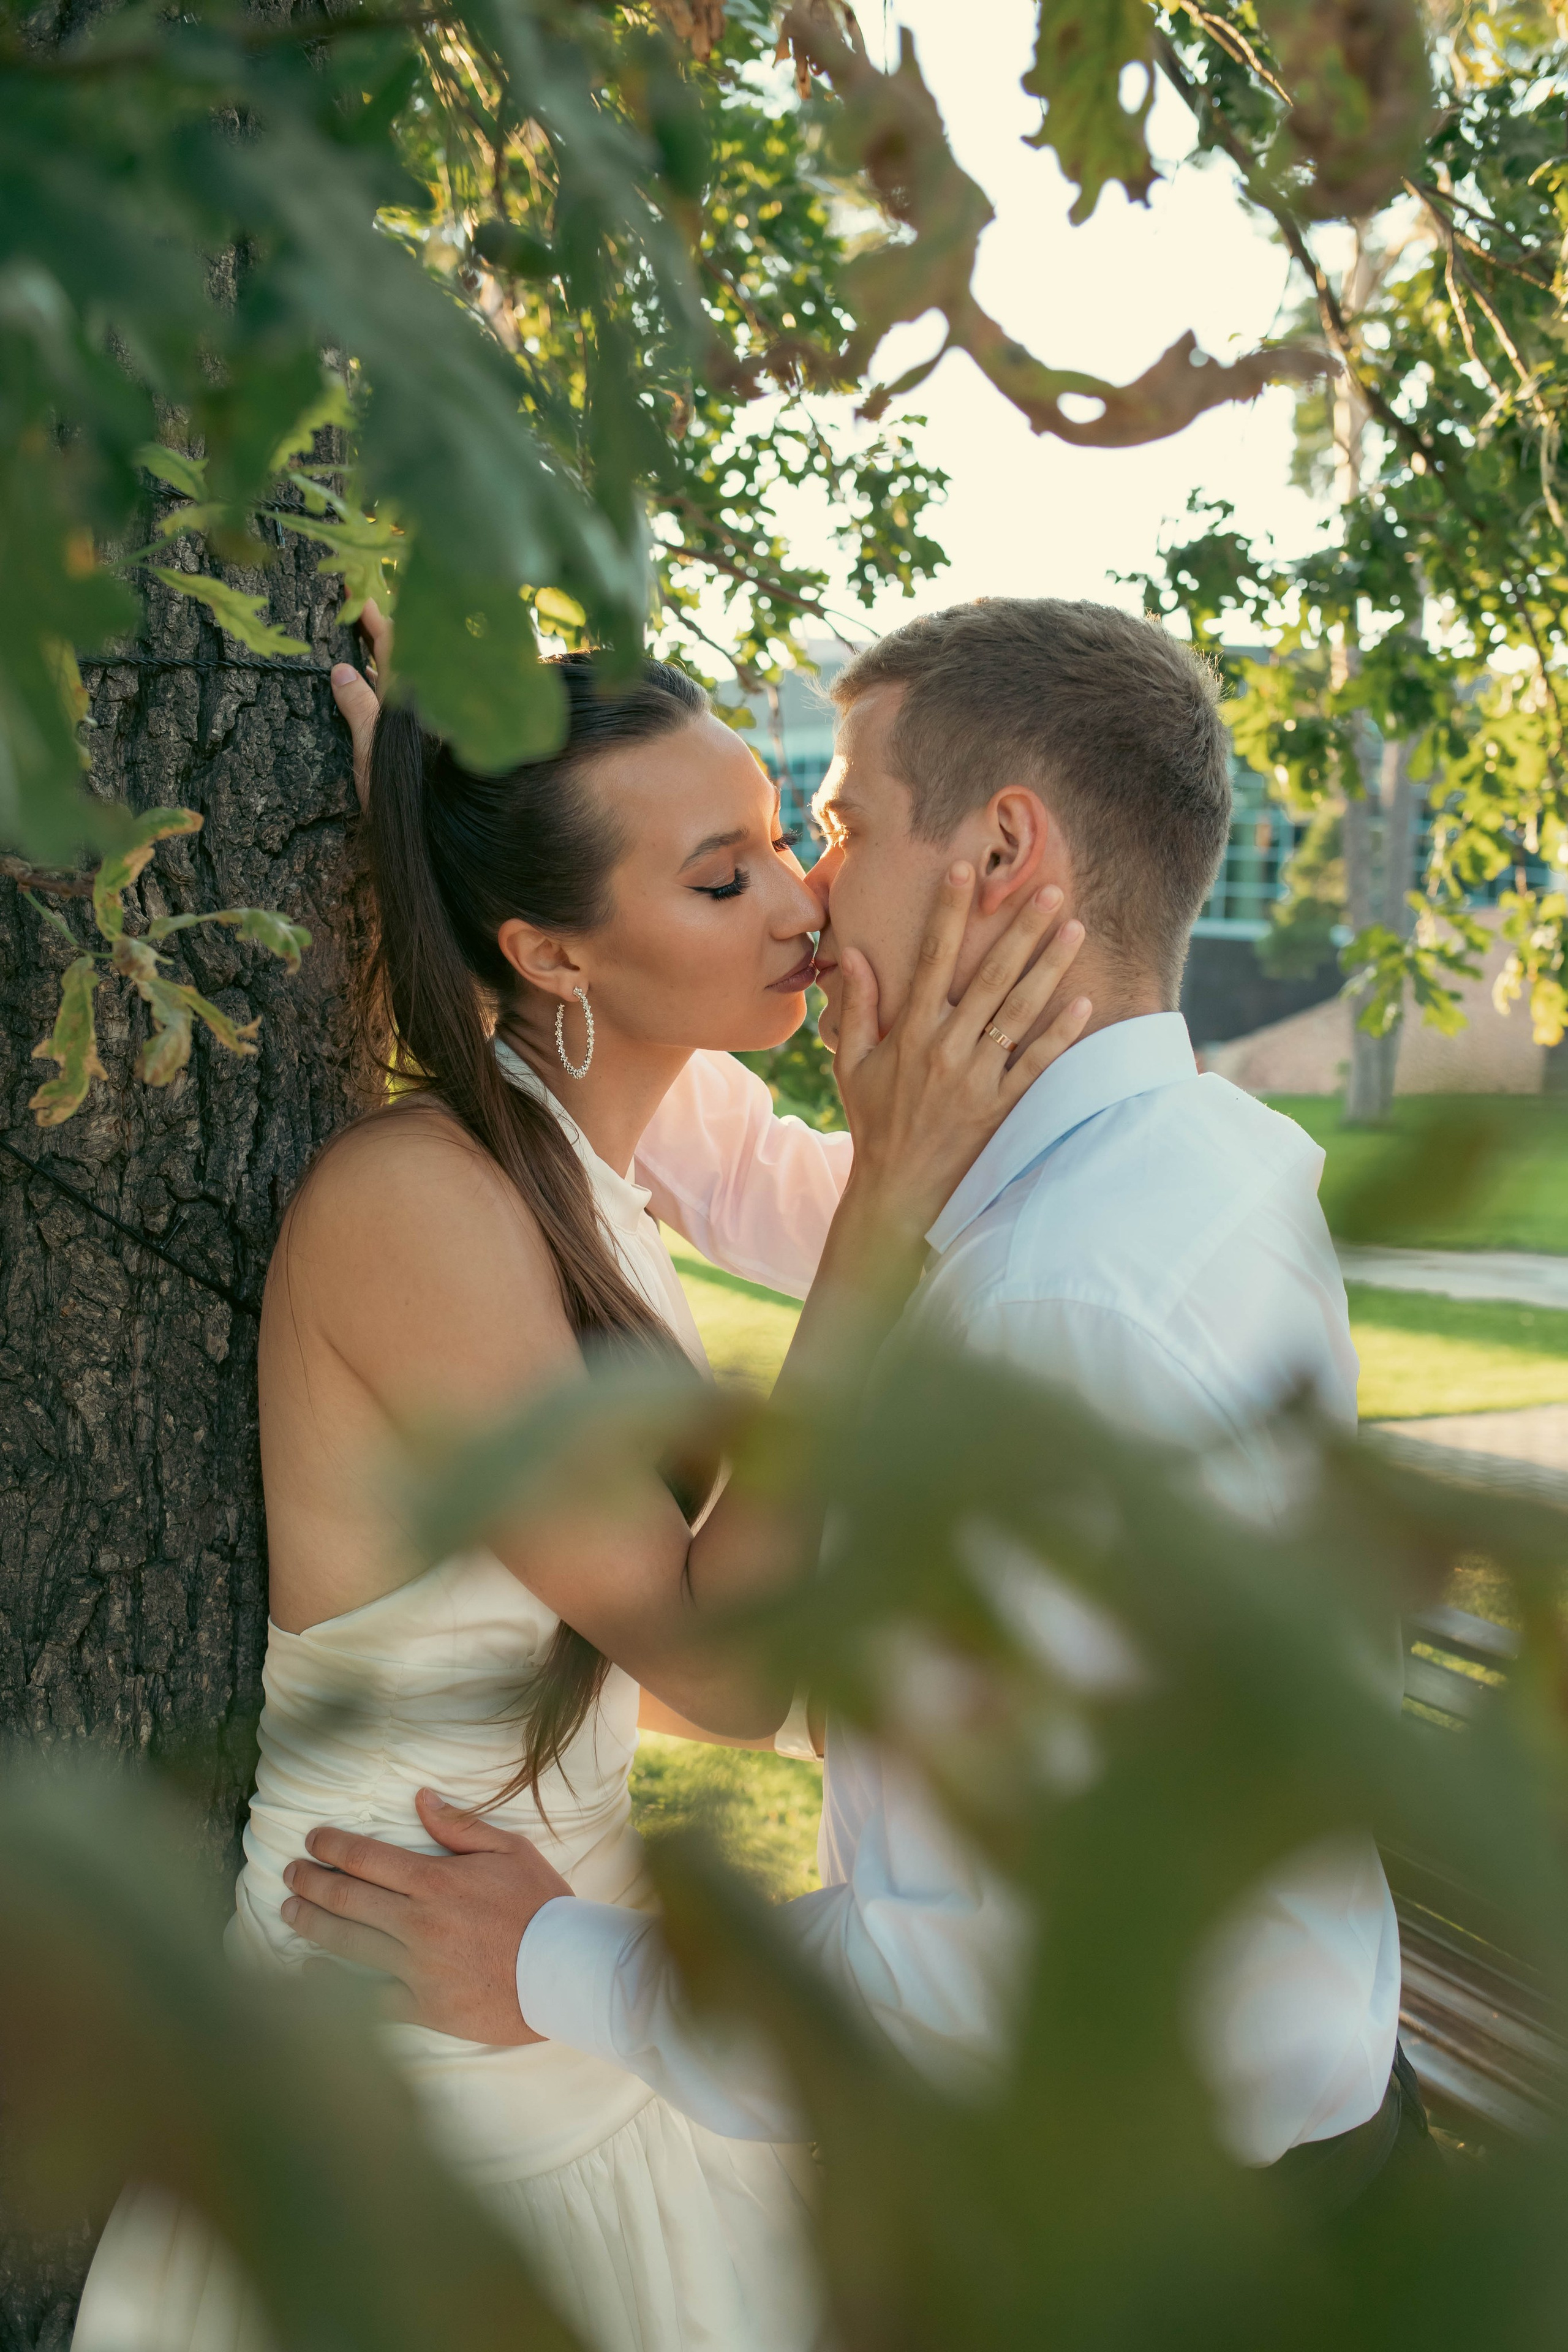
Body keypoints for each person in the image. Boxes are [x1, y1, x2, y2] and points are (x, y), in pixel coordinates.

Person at [286, 597, 1430, 2215]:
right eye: (743, 861)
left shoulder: (1053, 1308)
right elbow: (774, 1178)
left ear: (1000, 856)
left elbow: (975, 1981)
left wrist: (557, 1966)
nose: (808, 898)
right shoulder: (1172, 1159)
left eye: (832, 827)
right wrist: (471, 855)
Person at [70, 617, 1092, 2352]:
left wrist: (442, 784)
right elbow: (723, 1662)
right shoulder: (420, 1210)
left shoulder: (590, 1174)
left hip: (562, 1987)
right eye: (720, 883)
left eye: (780, 836)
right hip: (412, 2053)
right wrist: (880, 1217)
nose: (799, 904)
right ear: (552, 951)